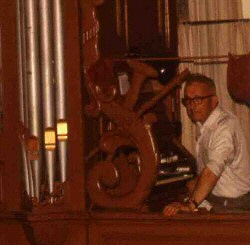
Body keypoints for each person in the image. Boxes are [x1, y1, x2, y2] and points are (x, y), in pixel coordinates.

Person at [163, 73, 250, 216]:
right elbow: (205, 174)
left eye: (198, 100)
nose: (191, 106)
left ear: (214, 100)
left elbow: (211, 172)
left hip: (234, 205)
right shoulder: (205, 125)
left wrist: (191, 205)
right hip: (218, 198)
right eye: (188, 101)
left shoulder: (225, 127)